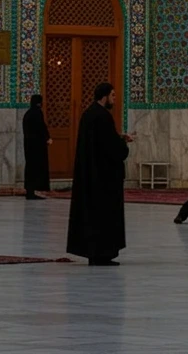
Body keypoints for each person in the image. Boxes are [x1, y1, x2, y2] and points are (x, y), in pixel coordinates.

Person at [66, 81, 133, 266]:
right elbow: (111, 148)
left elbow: (99, 142)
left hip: (91, 176)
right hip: (104, 179)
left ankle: (95, 253)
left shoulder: (88, 114)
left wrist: (118, 137)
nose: (114, 100)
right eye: (112, 96)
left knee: (92, 216)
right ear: (104, 96)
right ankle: (102, 254)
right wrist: (124, 144)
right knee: (104, 216)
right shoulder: (103, 116)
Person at [22, 93, 51, 200]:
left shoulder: (28, 113)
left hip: (29, 146)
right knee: (36, 168)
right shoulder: (37, 113)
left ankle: (30, 191)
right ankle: (32, 191)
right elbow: (41, 127)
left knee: (30, 168)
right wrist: (47, 138)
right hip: (37, 147)